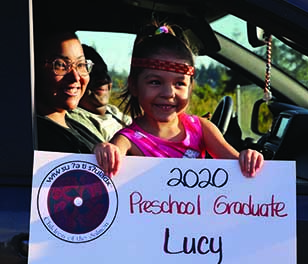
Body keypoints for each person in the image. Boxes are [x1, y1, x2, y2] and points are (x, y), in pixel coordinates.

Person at [94, 22, 264, 177]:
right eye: (155, 82)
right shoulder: (128, 140)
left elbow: (236, 163)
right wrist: (105, 151)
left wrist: (247, 157)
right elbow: (112, 156)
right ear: (134, 86)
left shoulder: (201, 128)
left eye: (179, 83)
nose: (168, 93)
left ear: (191, 88)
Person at [34, 30, 105, 153]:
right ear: (35, 69)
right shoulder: (40, 137)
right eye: (61, 65)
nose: (76, 77)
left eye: (81, 64)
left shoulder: (76, 123)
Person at [70, 44, 132, 142]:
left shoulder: (116, 114)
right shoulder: (76, 122)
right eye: (94, 74)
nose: (103, 80)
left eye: (104, 72)